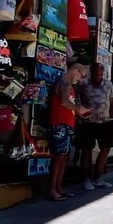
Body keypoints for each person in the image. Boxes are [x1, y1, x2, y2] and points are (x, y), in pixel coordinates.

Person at [48, 63, 90, 201]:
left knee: (64, 157)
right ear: (76, 70)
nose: (81, 79)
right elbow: (65, 102)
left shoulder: (70, 85)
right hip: (60, 125)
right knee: (59, 157)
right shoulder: (65, 81)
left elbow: (69, 104)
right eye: (82, 76)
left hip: (67, 125)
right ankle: (53, 189)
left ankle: (59, 187)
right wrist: (79, 110)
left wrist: (80, 111)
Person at [77, 62, 113, 190]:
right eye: (95, 72)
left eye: (99, 73)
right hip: (89, 122)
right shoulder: (84, 85)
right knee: (86, 150)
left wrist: (111, 117)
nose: (97, 75)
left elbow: (111, 100)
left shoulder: (108, 84)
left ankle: (98, 177)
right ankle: (86, 179)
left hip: (105, 121)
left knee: (105, 149)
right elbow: (78, 99)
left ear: (103, 72)